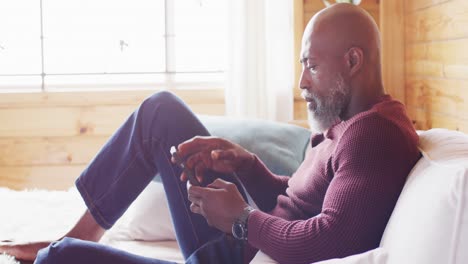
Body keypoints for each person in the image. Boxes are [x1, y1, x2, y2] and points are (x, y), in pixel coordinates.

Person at [0, 3, 421, 264]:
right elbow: (298, 203)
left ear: (352, 60)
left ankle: (66, 246)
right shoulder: (349, 125)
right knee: (159, 112)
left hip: (242, 255)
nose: (301, 83)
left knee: (61, 261)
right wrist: (247, 164)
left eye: (310, 65)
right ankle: (82, 230)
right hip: (239, 244)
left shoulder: (373, 136)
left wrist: (241, 220)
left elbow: (327, 241)